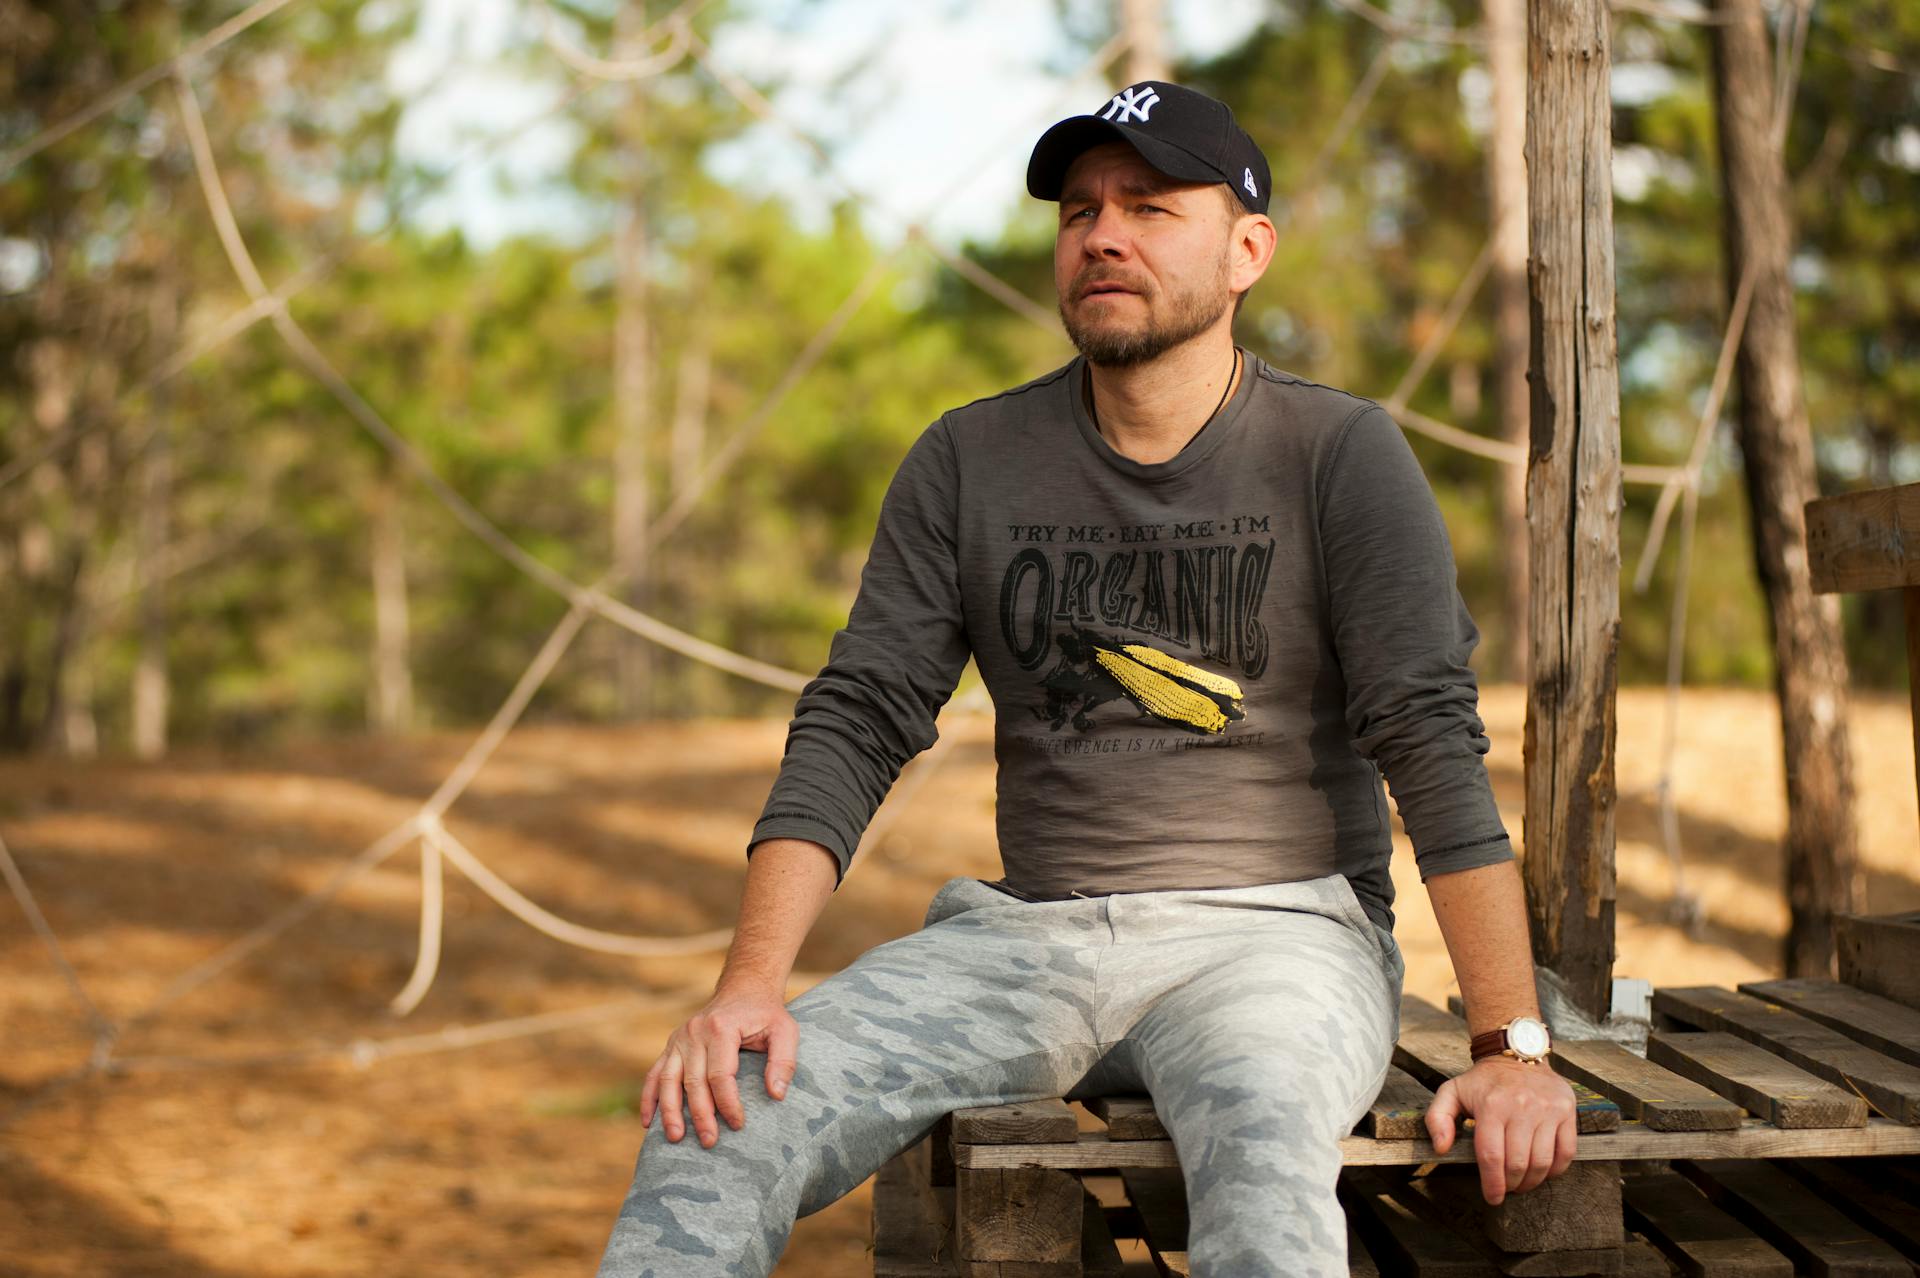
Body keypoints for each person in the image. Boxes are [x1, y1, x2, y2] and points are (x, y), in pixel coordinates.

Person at [595, 80, 1577, 1278]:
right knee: (716, 1112)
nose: (1102, 233)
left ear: (1248, 250)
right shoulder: (970, 458)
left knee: (1265, 1176)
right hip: (1025, 945)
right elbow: (860, 714)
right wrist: (749, 986)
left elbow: (1428, 739)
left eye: (1152, 207)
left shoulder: (1338, 453)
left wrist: (1511, 1044)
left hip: (1275, 943)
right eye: (1078, 211)